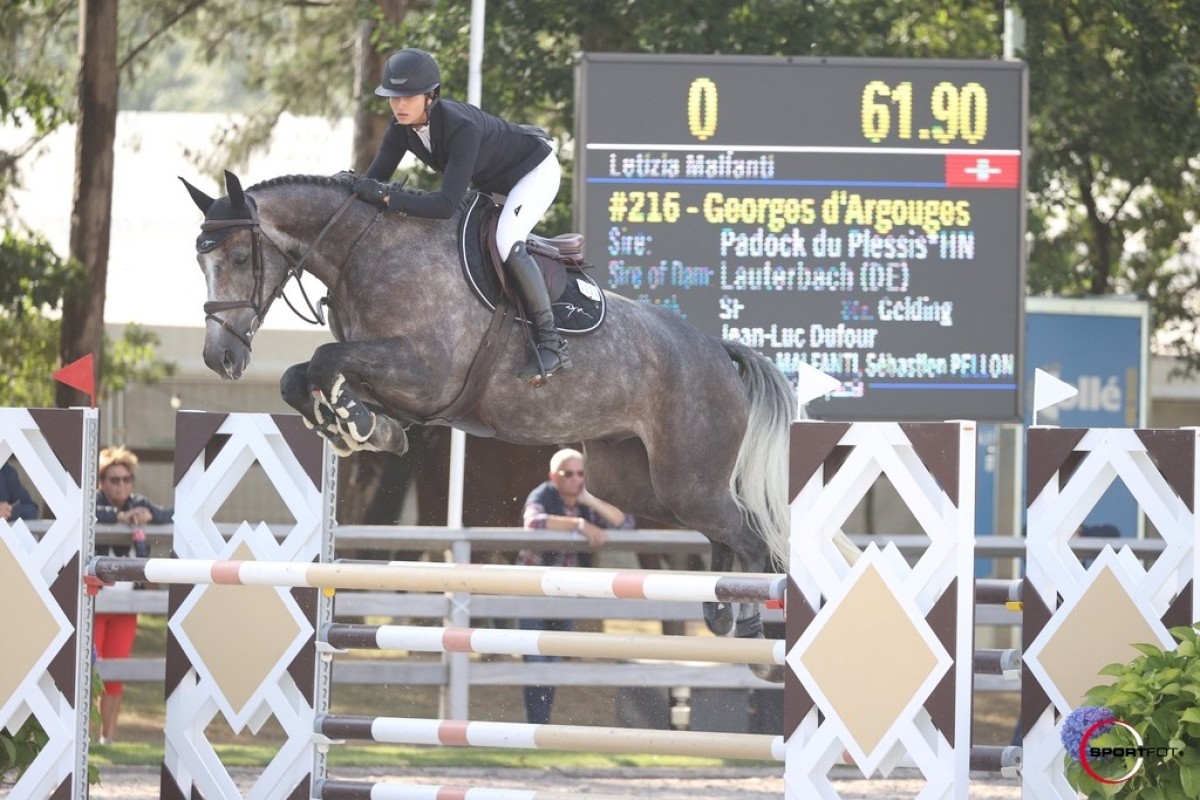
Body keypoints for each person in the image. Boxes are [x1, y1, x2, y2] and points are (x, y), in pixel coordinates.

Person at [351, 47, 571, 384]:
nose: (398, 105)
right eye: (393, 97)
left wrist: (384, 195)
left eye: (408, 97)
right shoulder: (400, 130)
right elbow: (372, 181)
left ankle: (551, 342)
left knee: (506, 239)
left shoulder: (460, 127)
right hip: (493, 181)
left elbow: (444, 206)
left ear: (431, 96)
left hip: (533, 172)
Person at [517, 448, 634, 724]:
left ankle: (540, 726)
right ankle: (536, 725)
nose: (575, 480)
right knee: (535, 662)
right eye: (568, 474)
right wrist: (579, 524)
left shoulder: (586, 501)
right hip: (534, 590)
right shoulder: (543, 495)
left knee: (553, 663)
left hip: (566, 593)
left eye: (581, 474)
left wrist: (589, 501)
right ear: (553, 476)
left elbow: (626, 524)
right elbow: (532, 522)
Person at [93, 446, 172, 744]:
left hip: (128, 604)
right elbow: (86, 512)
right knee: (92, 674)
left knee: (116, 675)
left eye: (126, 479)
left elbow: (170, 513)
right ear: (101, 482)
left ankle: (107, 739)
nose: (121, 485)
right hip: (97, 601)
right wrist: (119, 516)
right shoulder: (94, 502)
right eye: (114, 480)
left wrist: (147, 514)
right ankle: (85, 740)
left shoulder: (136, 502)